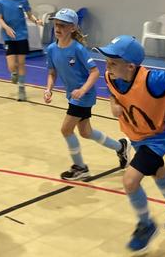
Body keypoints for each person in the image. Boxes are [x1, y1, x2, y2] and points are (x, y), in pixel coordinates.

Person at [96, 35, 165, 253]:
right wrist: (112, 103)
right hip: (135, 135)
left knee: (130, 181)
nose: (107, 66)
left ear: (130, 66)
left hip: (157, 137)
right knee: (157, 171)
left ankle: (146, 225)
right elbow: (112, 91)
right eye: (107, 61)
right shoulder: (112, 76)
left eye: (113, 62)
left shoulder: (153, 79)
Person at [44, 9, 129, 181]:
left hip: (84, 96)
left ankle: (80, 167)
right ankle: (120, 147)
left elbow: (95, 72)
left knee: (66, 129)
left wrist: (83, 90)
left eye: (63, 25)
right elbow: (52, 73)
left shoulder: (78, 49)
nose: (58, 28)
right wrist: (49, 89)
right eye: (56, 24)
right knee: (85, 132)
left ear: (73, 28)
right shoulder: (52, 49)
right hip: (73, 96)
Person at [0, 0, 42, 101]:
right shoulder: (1, 1)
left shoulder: (23, 0)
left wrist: (36, 20)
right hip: (8, 37)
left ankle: (22, 89)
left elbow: (29, 15)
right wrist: (6, 27)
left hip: (22, 35)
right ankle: (14, 73)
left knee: (21, 63)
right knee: (11, 65)